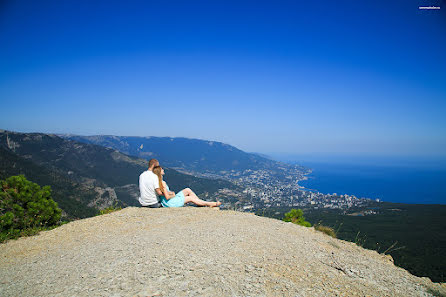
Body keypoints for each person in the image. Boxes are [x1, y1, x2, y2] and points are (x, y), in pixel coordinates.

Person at [152, 166, 221, 208]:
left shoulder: (158, 182)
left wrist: (170, 193)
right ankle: (210, 204)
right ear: (159, 172)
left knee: (187, 190)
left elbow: (163, 193)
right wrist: (172, 194)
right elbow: (167, 197)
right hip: (170, 202)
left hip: (167, 201)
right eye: (162, 169)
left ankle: (200, 203)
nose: (163, 170)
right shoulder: (162, 183)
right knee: (190, 198)